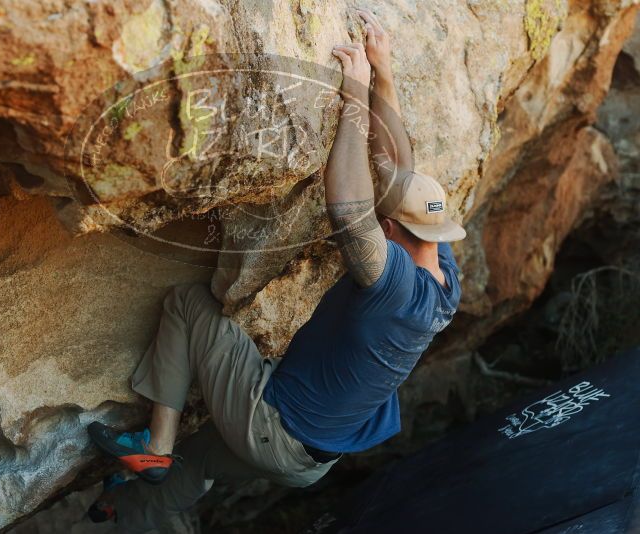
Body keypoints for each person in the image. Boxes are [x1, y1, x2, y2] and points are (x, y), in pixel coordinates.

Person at [85, 9, 466, 531]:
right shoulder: (444, 278)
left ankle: (155, 444)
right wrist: (384, 70)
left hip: (275, 427)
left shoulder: (393, 284)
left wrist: (353, 94)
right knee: (197, 461)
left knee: (189, 306)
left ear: (394, 231)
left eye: (387, 219)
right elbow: (398, 173)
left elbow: (348, 209)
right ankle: (123, 509)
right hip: (314, 463)